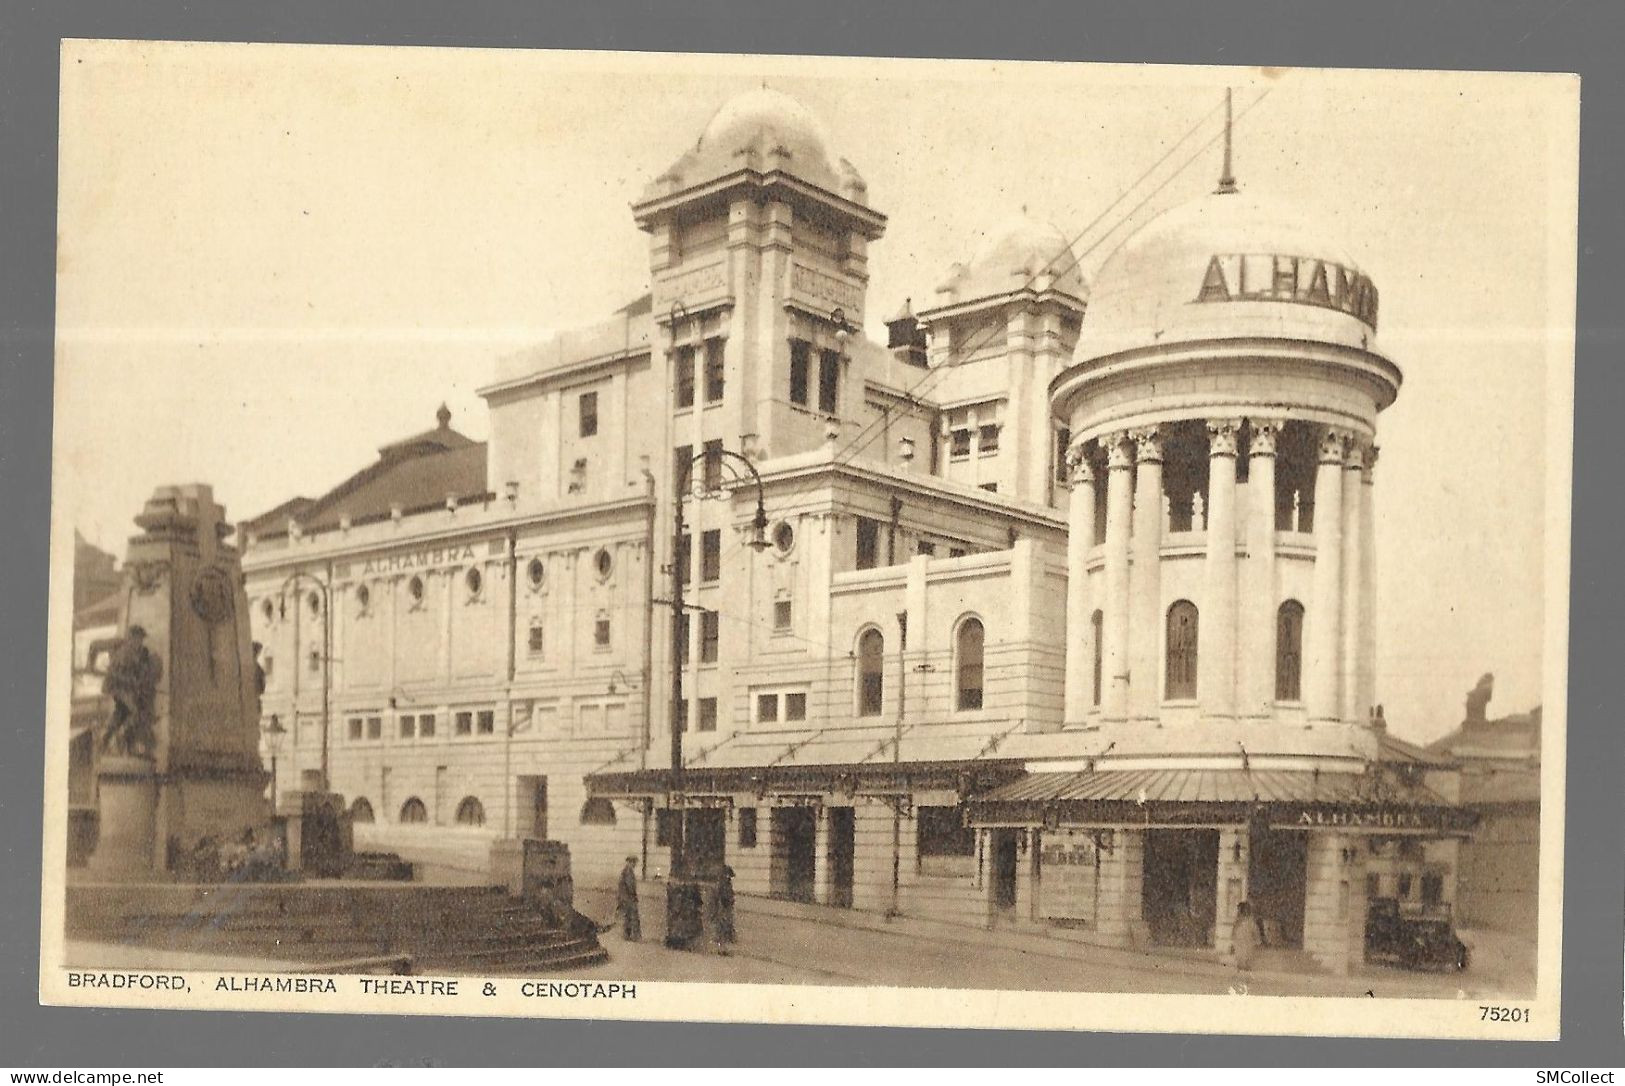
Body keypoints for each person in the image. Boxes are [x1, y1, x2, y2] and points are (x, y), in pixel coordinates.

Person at [101, 625, 162, 756]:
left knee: (122, 713)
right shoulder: (124, 653)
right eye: (137, 638)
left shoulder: (140, 652)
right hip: (118, 688)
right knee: (135, 712)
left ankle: (109, 738)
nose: (139, 641)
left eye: (141, 639)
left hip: (126, 689)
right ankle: (119, 736)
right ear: (131, 638)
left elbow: (141, 674)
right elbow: (118, 675)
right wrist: (133, 682)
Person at [709, 865, 736, 955]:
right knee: (721, 930)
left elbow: (730, 896)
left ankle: (723, 949)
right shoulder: (721, 885)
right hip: (722, 909)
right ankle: (721, 949)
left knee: (725, 929)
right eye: (727, 875)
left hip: (726, 909)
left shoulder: (727, 884)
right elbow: (717, 898)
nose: (728, 877)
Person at [615, 855, 641, 942]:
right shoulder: (628, 872)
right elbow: (630, 885)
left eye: (635, 863)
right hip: (627, 897)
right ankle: (633, 936)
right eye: (633, 862)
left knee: (628, 916)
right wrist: (634, 896)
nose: (634, 864)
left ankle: (627, 935)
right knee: (632, 916)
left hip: (625, 897)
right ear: (629, 862)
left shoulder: (627, 871)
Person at [1231, 900, 1262, 972]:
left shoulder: (1247, 921)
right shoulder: (1242, 921)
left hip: (1246, 941)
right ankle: (1243, 967)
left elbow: (1255, 931)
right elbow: (1234, 931)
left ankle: (1244, 967)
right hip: (1242, 941)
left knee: (1245, 955)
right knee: (1243, 955)